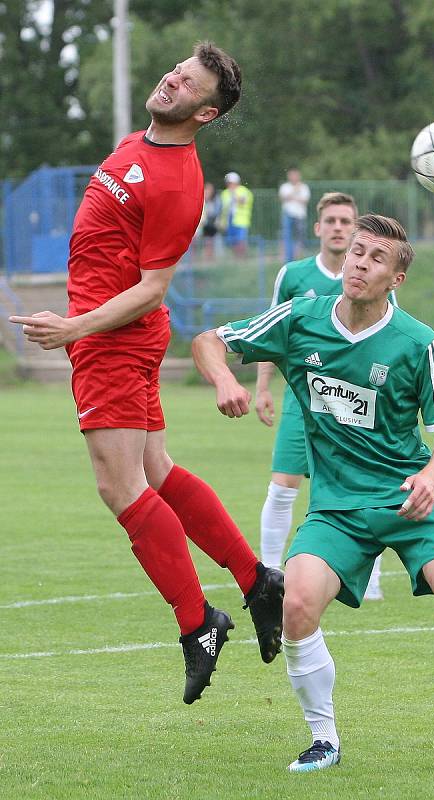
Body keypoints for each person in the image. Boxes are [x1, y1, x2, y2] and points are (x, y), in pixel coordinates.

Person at [191, 213, 434, 771]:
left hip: (408, 498)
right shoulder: (301, 317)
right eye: (357, 251)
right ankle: (323, 737)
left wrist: (429, 478)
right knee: (297, 604)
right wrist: (225, 378)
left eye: (377, 258)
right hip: (336, 509)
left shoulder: (416, 341)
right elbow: (209, 339)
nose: (359, 263)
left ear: (395, 279)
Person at [9, 41, 284, 707]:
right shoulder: (138, 141)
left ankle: (200, 624)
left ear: (207, 112)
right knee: (156, 473)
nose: (171, 80)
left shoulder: (179, 182)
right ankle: (256, 581)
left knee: (121, 486)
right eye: (175, 71)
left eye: (187, 83)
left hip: (113, 338)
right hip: (106, 336)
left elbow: (155, 287)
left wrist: (76, 327)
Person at [256, 192, 385, 600]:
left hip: (355, 402)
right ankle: (268, 573)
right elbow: (269, 334)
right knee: (282, 485)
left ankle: (372, 577)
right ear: (318, 228)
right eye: (331, 221)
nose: (338, 228)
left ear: (356, 230)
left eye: (346, 222)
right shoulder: (293, 275)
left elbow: (386, 335)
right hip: (301, 398)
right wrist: (262, 388)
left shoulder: (374, 279)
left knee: (367, 486)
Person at [279, 168, 310, 263]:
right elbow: (283, 197)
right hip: (287, 214)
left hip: (300, 215)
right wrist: (295, 191)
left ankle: (298, 256)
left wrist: (292, 197)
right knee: (287, 236)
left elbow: (305, 200)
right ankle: (288, 257)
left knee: (300, 237)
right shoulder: (285, 186)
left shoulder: (304, 187)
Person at [219, 171, 254, 256]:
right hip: (229, 220)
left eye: (231, 183)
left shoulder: (244, 191)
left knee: (241, 240)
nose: (229, 185)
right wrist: (222, 222)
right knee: (232, 241)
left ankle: (242, 257)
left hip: (241, 220)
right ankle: (236, 258)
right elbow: (223, 209)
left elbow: (243, 201)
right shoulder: (224, 193)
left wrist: (233, 194)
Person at [200, 181, 222, 260]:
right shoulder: (201, 200)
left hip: (213, 224)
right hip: (204, 225)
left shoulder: (216, 200)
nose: (207, 192)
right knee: (206, 242)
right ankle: (205, 258)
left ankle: (213, 258)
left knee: (213, 242)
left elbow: (217, 212)